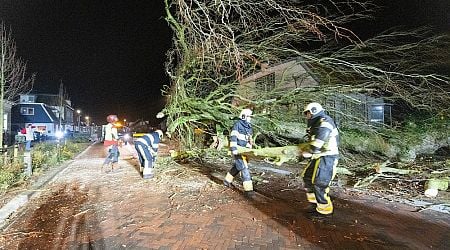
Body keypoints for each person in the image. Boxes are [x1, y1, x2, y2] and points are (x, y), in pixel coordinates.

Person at [301, 102, 339, 218]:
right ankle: (314, 204)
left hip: (328, 157)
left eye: (307, 113)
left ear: (313, 111)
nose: (306, 116)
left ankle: (324, 211)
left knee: (320, 182)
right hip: (318, 155)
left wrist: (310, 151)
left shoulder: (324, 122)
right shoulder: (316, 123)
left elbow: (319, 141)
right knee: (307, 177)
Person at [223, 108, 255, 198]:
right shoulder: (238, 125)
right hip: (237, 150)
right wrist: (234, 149)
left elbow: (249, 140)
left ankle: (227, 181)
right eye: (249, 116)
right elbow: (233, 137)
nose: (250, 118)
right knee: (244, 168)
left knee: (238, 166)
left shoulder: (249, 127)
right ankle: (249, 190)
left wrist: (249, 148)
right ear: (244, 116)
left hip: (244, 151)